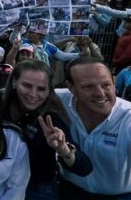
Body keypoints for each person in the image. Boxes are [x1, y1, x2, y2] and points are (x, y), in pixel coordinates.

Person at [2, 60, 93, 200]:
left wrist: (63, 149)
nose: (33, 94)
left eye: (41, 89)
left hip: (38, 189)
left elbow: (85, 167)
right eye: (27, 85)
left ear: (49, 91)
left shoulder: (51, 118)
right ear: (14, 82)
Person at [56, 57, 131, 199]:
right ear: (71, 88)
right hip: (68, 191)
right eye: (88, 87)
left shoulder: (128, 118)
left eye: (106, 85)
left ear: (114, 82)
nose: (100, 93)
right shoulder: (59, 100)